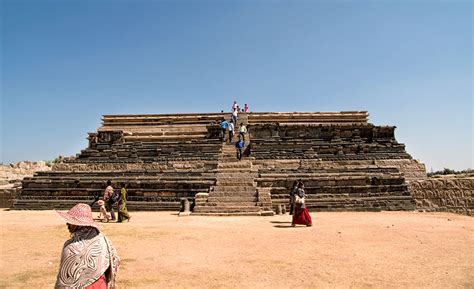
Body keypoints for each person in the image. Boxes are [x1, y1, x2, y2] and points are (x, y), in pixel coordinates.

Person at [55, 203, 120, 288]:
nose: (67, 224)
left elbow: (65, 282)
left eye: (70, 222)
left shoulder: (71, 247)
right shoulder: (103, 240)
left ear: (77, 224)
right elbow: (115, 261)